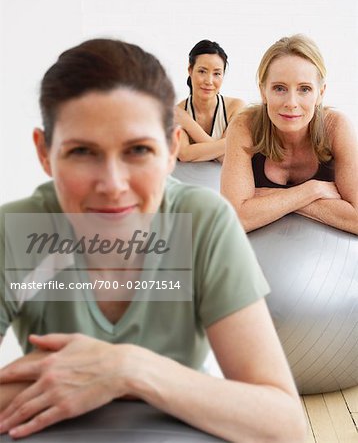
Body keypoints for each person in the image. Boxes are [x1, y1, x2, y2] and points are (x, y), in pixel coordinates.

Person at [0, 38, 306, 442]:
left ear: (170, 150)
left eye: (138, 150)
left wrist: (128, 368)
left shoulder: (202, 221)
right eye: (82, 152)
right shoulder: (15, 231)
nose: (112, 185)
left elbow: (284, 426)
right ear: (45, 152)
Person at [221, 34, 358, 235]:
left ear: (321, 93)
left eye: (304, 89)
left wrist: (271, 200)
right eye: (279, 88)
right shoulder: (244, 125)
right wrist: (312, 191)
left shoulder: (336, 127)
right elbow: (233, 218)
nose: (291, 102)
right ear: (263, 92)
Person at [176, 40, 245, 163]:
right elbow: (184, 154)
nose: (209, 81)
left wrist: (188, 123)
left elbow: (229, 158)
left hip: (228, 181)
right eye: (202, 71)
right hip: (189, 181)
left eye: (217, 73)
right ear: (190, 70)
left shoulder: (235, 107)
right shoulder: (178, 111)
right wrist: (228, 146)